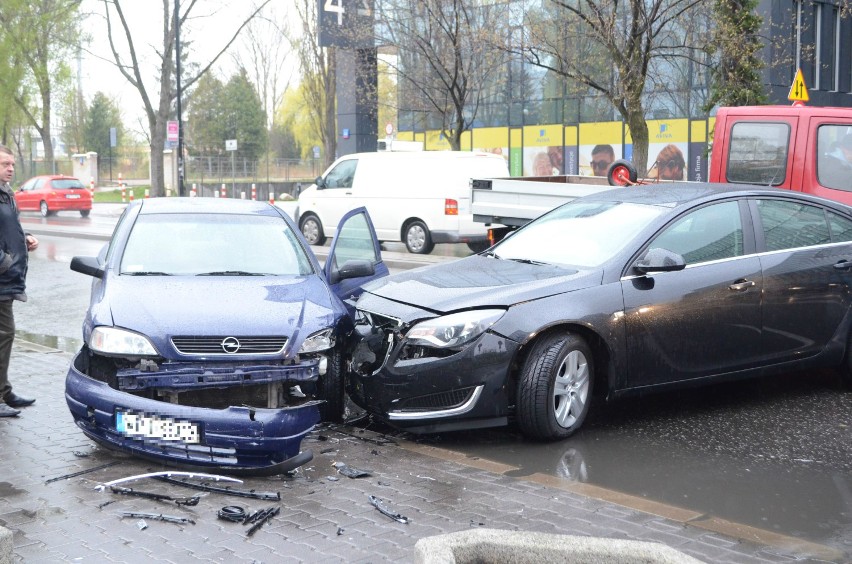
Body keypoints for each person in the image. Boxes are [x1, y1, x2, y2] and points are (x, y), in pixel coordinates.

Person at [0, 145, 39, 417]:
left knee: (5, 336)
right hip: (1, 278)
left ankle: (4, 391)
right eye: (5, 164)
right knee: (4, 335)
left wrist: (24, 240)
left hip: (6, 280)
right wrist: (4, 262)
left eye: (12, 164)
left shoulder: (7, 194)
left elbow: (8, 229)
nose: (11, 168)